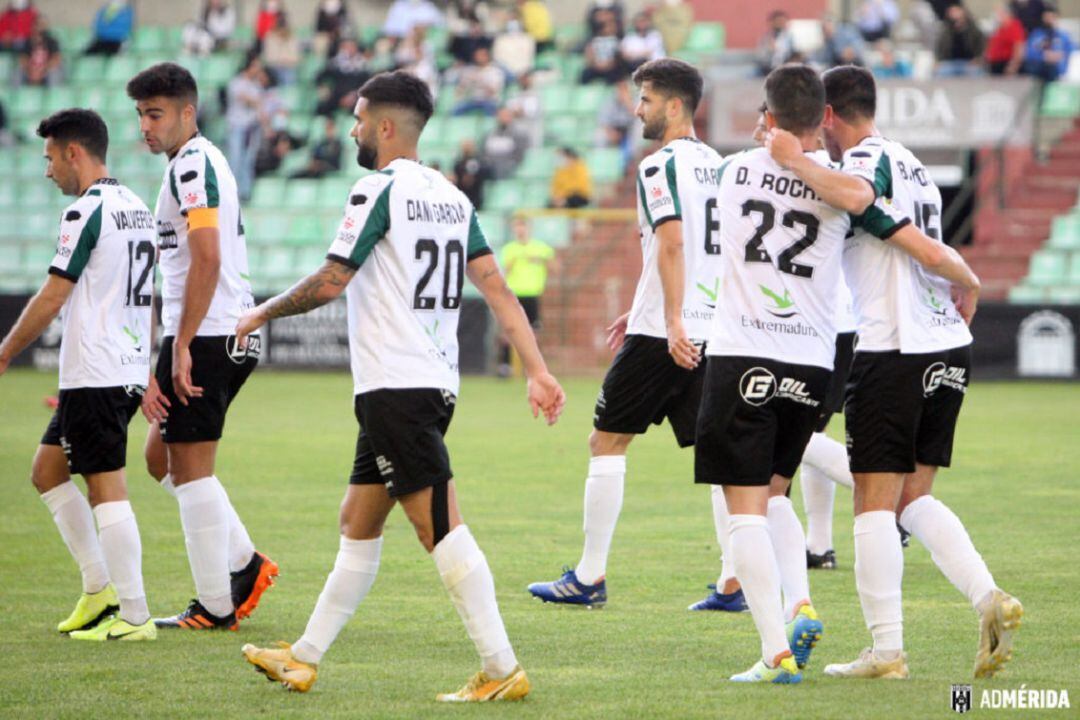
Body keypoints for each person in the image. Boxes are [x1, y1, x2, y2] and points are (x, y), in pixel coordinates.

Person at [236, 69, 565, 700]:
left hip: (396, 386)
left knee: (438, 524)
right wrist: (539, 368)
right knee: (358, 520)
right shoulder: (452, 196)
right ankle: (303, 656)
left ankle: (502, 669)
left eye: (359, 119)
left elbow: (333, 280)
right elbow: (495, 286)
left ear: (386, 126)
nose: (353, 129)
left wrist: (262, 310)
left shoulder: (376, 189)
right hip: (432, 383)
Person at [767, 64, 1021, 681]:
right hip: (946, 346)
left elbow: (853, 197)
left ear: (828, 115)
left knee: (875, 508)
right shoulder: (914, 166)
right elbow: (925, 247)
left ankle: (886, 651)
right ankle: (989, 597)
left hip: (894, 346)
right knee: (914, 500)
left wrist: (791, 158)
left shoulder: (864, 163)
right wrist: (965, 278)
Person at [527, 58, 723, 610]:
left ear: (675, 105)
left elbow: (673, 241)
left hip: (667, 332)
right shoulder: (719, 165)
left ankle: (589, 578)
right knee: (723, 455)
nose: (637, 108)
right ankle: (734, 581)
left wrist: (670, 319)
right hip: (710, 325)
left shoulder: (658, 166)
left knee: (606, 440)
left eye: (646, 99)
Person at [694, 66, 848, 684]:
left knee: (745, 510)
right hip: (812, 360)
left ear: (769, 116)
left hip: (743, 352)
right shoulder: (843, 188)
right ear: (825, 118)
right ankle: (799, 601)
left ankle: (773, 651)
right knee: (776, 491)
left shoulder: (734, 172)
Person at [126, 62, 278, 631]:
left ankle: (216, 606)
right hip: (207, 332)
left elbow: (207, 255)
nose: (146, 125)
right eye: (141, 114)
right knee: (158, 458)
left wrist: (182, 342)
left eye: (156, 113)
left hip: (211, 333)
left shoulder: (193, 164)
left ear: (187, 113)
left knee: (190, 470)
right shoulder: (188, 164)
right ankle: (244, 561)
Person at [0, 108, 156, 641]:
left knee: (106, 488)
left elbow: (54, 293)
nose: (47, 172)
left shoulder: (85, 212)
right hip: (121, 365)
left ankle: (135, 616)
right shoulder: (136, 206)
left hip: (97, 370)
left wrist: (6, 350)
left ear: (74, 152)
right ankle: (98, 590)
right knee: (47, 472)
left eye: (50, 158)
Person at [497, 217, 557, 376]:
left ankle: (531, 368)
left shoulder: (540, 248)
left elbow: (555, 267)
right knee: (508, 330)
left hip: (532, 294)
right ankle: (505, 366)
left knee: (533, 332)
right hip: (514, 294)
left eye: (523, 226)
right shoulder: (510, 249)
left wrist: (541, 260)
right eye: (517, 227)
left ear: (529, 228)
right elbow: (505, 270)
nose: (520, 230)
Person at [225, 54, 265, 202]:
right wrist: (255, 101)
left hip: (251, 127)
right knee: (235, 159)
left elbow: (259, 104)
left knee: (248, 160)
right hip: (237, 126)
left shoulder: (255, 85)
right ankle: (232, 193)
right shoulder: (237, 82)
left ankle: (245, 193)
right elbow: (244, 98)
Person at [1023, 3, 1075, 82]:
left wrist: (1059, 55)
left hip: (1059, 70)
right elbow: (1029, 53)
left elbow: (1072, 51)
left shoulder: (1063, 36)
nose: (1049, 19)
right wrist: (1044, 56)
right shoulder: (1037, 35)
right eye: (1046, 17)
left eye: (1051, 17)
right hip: (1040, 69)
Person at [934, 3, 985, 77]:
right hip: (949, 63)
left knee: (976, 72)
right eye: (952, 12)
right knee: (941, 72)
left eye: (956, 11)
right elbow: (939, 47)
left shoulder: (974, 30)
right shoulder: (945, 31)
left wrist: (977, 59)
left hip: (968, 62)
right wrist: (938, 61)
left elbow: (981, 46)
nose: (955, 14)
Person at [452, 46, 504, 116]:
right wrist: (465, 84)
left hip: (489, 100)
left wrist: (480, 80)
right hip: (473, 99)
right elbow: (459, 92)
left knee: (491, 109)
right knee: (456, 109)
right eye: (477, 56)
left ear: (487, 57)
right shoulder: (470, 70)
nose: (478, 58)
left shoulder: (495, 71)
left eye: (481, 56)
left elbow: (494, 91)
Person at [482, 106, 529, 179]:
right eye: (501, 115)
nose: (503, 118)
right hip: (491, 168)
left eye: (506, 115)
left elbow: (519, 154)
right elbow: (484, 152)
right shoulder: (489, 134)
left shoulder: (519, 135)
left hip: (509, 167)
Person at [581, 10, 623, 84]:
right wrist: (597, 64)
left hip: (610, 67)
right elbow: (590, 55)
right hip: (596, 66)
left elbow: (617, 57)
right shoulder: (594, 40)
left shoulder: (617, 41)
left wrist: (607, 65)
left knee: (617, 73)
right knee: (585, 73)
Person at [17, 15, 60, 86]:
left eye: (43, 25)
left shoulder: (52, 41)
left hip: (46, 69)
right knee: (17, 73)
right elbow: (23, 58)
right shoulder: (27, 41)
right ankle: (16, 95)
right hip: (31, 69)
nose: (41, 27)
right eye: (39, 24)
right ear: (34, 26)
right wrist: (31, 70)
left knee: (53, 74)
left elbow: (56, 59)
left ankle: (52, 96)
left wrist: (43, 69)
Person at [986, 4, 1027, 75]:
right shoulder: (999, 28)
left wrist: (1013, 66)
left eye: (1000, 14)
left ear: (1007, 14)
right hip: (994, 64)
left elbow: (1019, 48)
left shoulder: (1015, 27)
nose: (997, 17)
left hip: (1005, 64)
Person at [453, 139, 490, 208]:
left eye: (469, 146)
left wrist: (474, 176)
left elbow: (487, 173)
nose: (467, 149)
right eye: (465, 146)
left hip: (476, 196)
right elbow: (455, 175)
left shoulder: (480, 162)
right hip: (461, 196)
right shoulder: (458, 163)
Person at [756, 10, 794, 75]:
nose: (781, 23)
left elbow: (793, 53)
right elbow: (760, 56)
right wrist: (770, 50)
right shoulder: (766, 38)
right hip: (768, 68)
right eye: (779, 21)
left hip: (785, 67)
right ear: (772, 22)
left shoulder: (789, 37)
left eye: (783, 21)